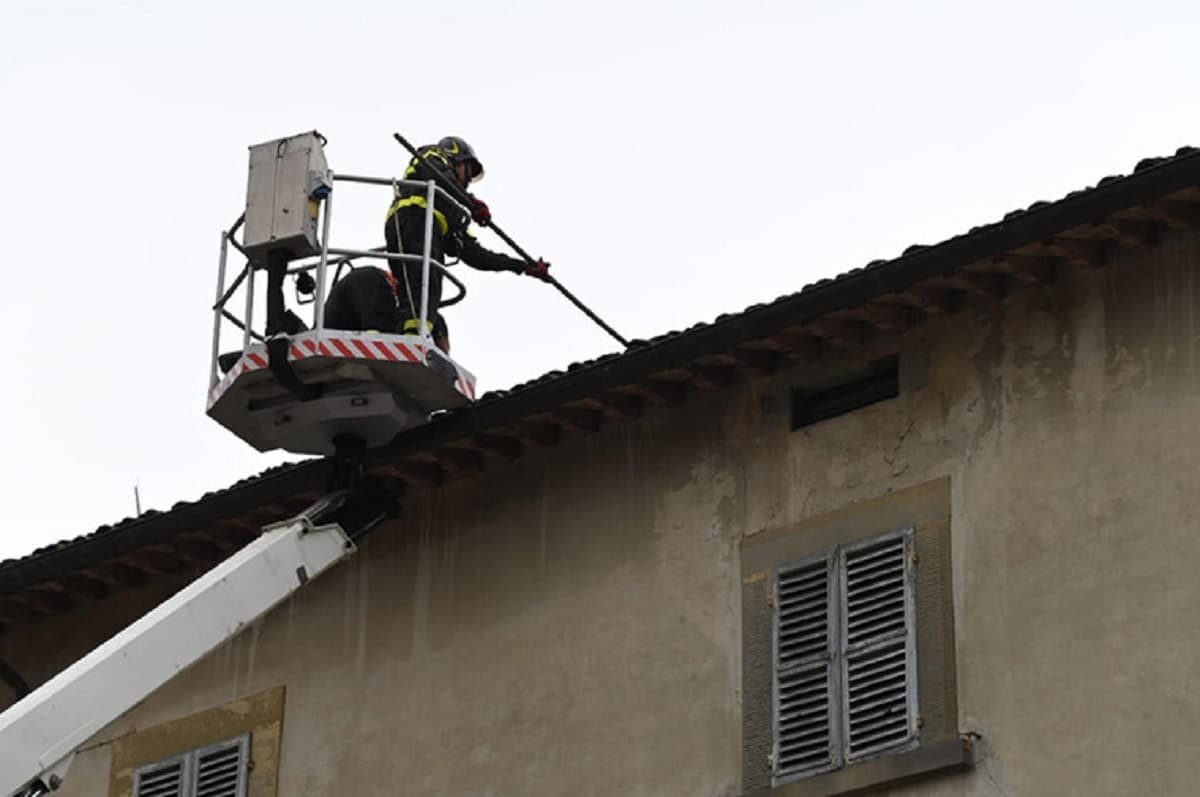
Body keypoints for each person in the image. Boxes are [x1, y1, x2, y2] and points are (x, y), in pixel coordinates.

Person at [382, 136, 550, 348]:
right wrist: (471, 203)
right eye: (468, 172)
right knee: (422, 283)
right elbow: (439, 175)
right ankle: (414, 339)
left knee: (423, 288)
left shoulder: (452, 208)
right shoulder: (433, 155)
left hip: (423, 227)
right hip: (414, 220)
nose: (467, 181)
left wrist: (523, 266)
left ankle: (413, 335)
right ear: (457, 159)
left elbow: (476, 255)